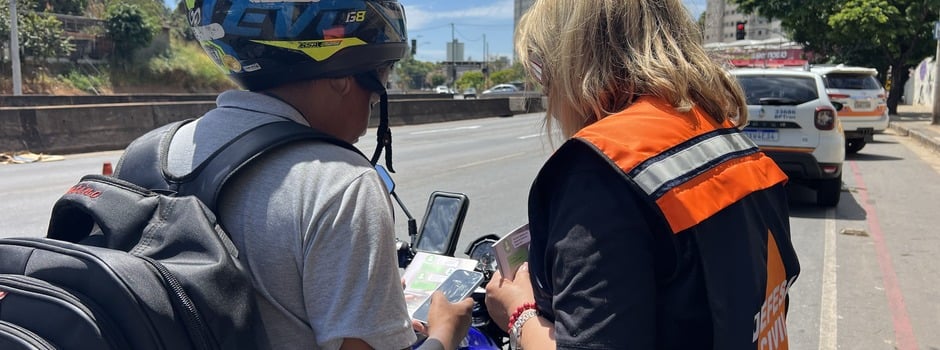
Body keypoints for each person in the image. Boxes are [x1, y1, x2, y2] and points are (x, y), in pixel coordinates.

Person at [115, 0, 472, 349]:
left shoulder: (145, 155)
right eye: (382, 72)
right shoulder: (340, 182)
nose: (380, 94)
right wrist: (445, 334)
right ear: (343, 78)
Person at [484, 0, 801, 349]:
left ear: (574, 63)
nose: (548, 94)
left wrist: (518, 312)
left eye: (544, 71)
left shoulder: (601, 172)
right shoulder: (725, 137)